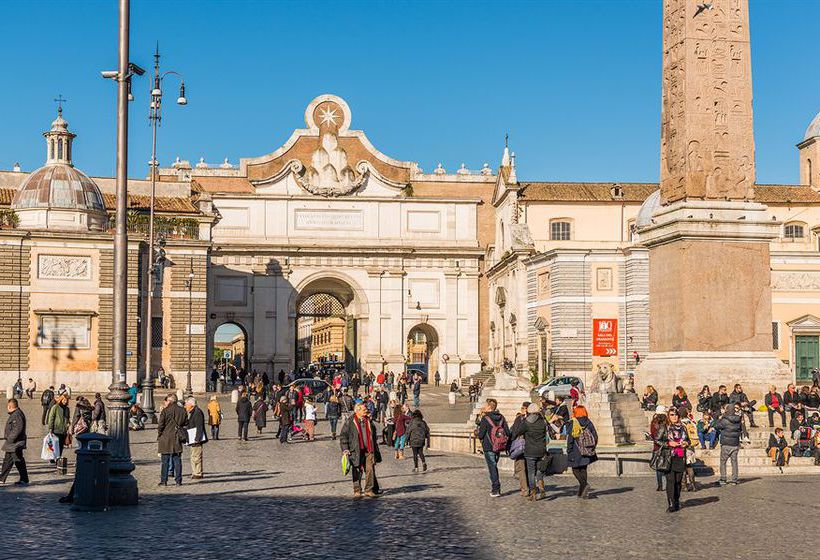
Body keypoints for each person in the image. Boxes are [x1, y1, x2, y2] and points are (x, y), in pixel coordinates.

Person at [340, 402, 382, 498]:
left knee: (370, 470)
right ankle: (357, 490)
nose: (366, 410)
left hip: (369, 449)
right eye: (364, 409)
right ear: (357, 411)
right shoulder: (350, 421)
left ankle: (369, 489)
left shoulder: (368, 420)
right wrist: (345, 449)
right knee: (357, 470)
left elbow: (374, 434)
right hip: (356, 449)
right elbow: (343, 436)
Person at [512, 402, 549, 501]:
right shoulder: (543, 422)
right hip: (542, 450)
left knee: (531, 473)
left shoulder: (527, 423)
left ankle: (533, 493)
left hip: (530, 451)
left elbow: (517, 432)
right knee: (540, 471)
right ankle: (541, 488)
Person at [475, 398, 511, 497]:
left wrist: (478, 431)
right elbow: (507, 432)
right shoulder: (502, 417)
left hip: (489, 446)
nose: (484, 407)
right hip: (499, 445)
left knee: (492, 467)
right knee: (494, 466)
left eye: (485, 405)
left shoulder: (485, 418)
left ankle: (496, 489)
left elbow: (481, 434)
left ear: (489, 407)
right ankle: (496, 487)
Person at [660, 408, 690, 512]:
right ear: (668, 416)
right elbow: (657, 440)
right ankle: (671, 503)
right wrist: (668, 444)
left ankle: (676, 501)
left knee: (678, 481)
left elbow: (688, 440)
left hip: (680, 456)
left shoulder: (683, 427)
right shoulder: (664, 427)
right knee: (670, 481)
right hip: (669, 456)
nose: (674, 417)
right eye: (672, 415)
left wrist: (686, 443)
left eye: (676, 415)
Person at [566, 405, 597, 499]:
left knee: (575, 469)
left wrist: (569, 449)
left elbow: (570, 438)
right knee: (583, 469)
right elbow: (595, 435)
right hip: (587, 449)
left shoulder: (573, 422)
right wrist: (592, 447)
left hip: (576, 449)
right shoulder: (589, 422)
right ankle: (582, 492)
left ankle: (584, 484)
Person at [157, 394, 187, 486]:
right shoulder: (182, 410)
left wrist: (159, 434)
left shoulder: (165, 411)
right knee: (177, 460)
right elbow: (185, 423)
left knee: (165, 461)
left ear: (169, 401)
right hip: (177, 437)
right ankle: (178, 480)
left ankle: (164, 481)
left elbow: (161, 425)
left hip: (165, 438)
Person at [0, 398, 29, 486]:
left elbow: (18, 429)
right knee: (10, 460)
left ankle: (23, 479)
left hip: (15, 443)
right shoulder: (16, 414)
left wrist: (10, 439)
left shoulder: (17, 415)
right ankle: (23, 479)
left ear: (10, 406)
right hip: (13, 443)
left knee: (17, 460)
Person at [716, 403, 742, 486]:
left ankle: (723, 478)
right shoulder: (738, 419)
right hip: (735, 443)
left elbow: (717, 426)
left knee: (723, 462)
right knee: (734, 462)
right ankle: (734, 479)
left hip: (726, 444)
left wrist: (721, 417)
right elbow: (740, 429)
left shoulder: (724, 419)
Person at [509, 402, 531, 498]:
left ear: (526, 409)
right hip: (532, 446)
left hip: (521, 447)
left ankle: (525, 489)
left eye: (523, 408)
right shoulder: (537, 419)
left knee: (521, 469)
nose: (521, 409)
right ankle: (531, 487)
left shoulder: (520, 419)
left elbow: (514, 431)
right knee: (530, 468)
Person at [184, 397, 207, 480]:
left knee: (196, 456)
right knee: (193, 456)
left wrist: (197, 438)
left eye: (186, 405)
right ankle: (195, 472)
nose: (185, 406)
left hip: (196, 439)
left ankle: (198, 473)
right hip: (193, 437)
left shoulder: (197, 412)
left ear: (191, 405)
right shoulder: (193, 412)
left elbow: (199, 426)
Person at [46, 394, 71, 466]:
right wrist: (50, 428)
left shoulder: (67, 409)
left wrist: (68, 425)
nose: (65, 402)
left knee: (61, 445)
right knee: (54, 445)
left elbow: (67, 418)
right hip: (56, 429)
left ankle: (58, 458)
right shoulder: (55, 407)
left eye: (66, 400)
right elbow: (51, 418)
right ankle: (52, 457)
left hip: (63, 430)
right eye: (64, 400)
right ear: (61, 399)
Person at [405, 409, 431, 473]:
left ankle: (416, 468)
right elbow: (427, 431)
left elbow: (408, 431)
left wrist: (406, 440)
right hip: (421, 440)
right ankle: (424, 462)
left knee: (415, 454)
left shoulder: (412, 422)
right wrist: (428, 442)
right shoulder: (423, 422)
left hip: (413, 439)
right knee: (421, 452)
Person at [649, 409, 668, 491]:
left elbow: (653, 435)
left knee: (658, 467)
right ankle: (668, 484)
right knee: (667, 466)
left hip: (657, 447)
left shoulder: (654, 422)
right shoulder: (666, 422)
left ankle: (660, 485)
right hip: (667, 447)